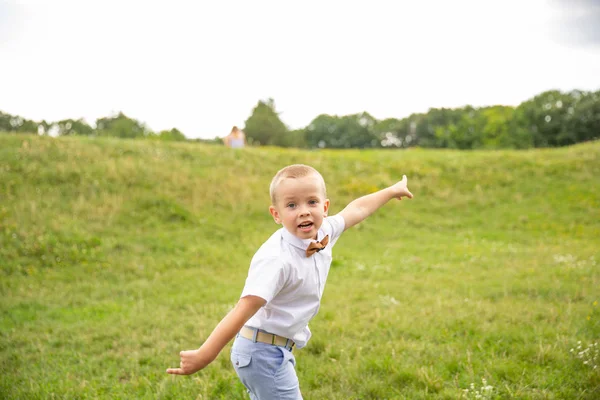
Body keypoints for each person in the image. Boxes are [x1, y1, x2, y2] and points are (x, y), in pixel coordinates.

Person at [166, 164, 414, 399]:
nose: (304, 210)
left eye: (312, 202)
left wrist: (392, 191)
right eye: (292, 205)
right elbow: (244, 308)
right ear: (277, 214)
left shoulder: (324, 231)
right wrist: (205, 355)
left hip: (276, 349)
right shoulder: (276, 258)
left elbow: (356, 210)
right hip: (261, 353)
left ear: (325, 207)